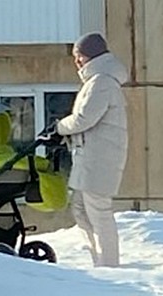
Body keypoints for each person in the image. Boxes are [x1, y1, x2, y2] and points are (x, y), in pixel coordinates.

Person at [54, 32, 129, 268]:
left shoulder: (102, 82)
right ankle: (97, 259)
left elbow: (85, 119)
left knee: (98, 210)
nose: (77, 61)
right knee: (80, 208)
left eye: (79, 56)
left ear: (91, 56)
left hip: (99, 158)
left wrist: (58, 127)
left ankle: (108, 264)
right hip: (89, 155)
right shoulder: (96, 80)